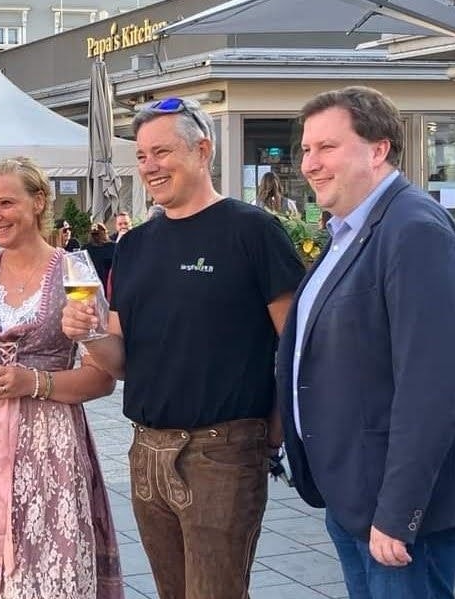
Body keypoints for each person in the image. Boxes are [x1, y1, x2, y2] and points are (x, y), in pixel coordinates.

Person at [62, 97, 304, 599]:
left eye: (162, 152)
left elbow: (298, 344)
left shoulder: (252, 230)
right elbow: (122, 362)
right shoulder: (135, 245)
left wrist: (273, 435)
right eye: (143, 155)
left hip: (222, 450)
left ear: (202, 150)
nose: (149, 166)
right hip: (146, 449)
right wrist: (87, 335)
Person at [280, 86, 455, 599]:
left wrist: (397, 511)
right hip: (356, 494)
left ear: (378, 149)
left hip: (401, 511)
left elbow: (432, 384)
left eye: (327, 147)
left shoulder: (413, 229)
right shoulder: (351, 230)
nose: (310, 164)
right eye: (306, 149)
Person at [0, 157, 122, 598]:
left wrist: (33, 382)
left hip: (49, 443)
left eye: (6, 203)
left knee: (45, 569)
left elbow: (105, 375)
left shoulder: (75, 274)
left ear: (39, 202)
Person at [85, 222, 116, 295]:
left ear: (104, 233)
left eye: (98, 234)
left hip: (110, 285)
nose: (96, 237)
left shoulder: (113, 247)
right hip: (92, 286)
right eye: (94, 234)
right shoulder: (86, 249)